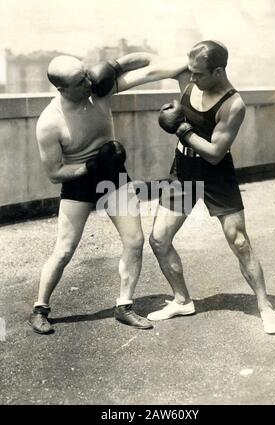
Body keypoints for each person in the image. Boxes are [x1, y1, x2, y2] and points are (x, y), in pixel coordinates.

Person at [28, 52, 187, 334]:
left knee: (134, 241)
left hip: (114, 176)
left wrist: (182, 63)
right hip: (80, 183)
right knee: (64, 250)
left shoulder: (98, 90)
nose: (89, 82)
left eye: (87, 74)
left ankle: (124, 306)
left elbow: (144, 72)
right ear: (62, 88)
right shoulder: (49, 123)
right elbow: (54, 174)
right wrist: (90, 165)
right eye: (80, 81)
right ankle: (40, 308)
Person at [147, 40, 275, 335]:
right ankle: (182, 300)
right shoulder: (190, 78)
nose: (190, 78)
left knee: (240, 242)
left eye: (197, 74)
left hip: (215, 172)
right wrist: (115, 72)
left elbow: (214, 152)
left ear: (218, 71)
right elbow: (150, 66)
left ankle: (265, 307)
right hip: (184, 170)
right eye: (190, 71)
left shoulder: (234, 104)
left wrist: (181, 128)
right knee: (158, 240)